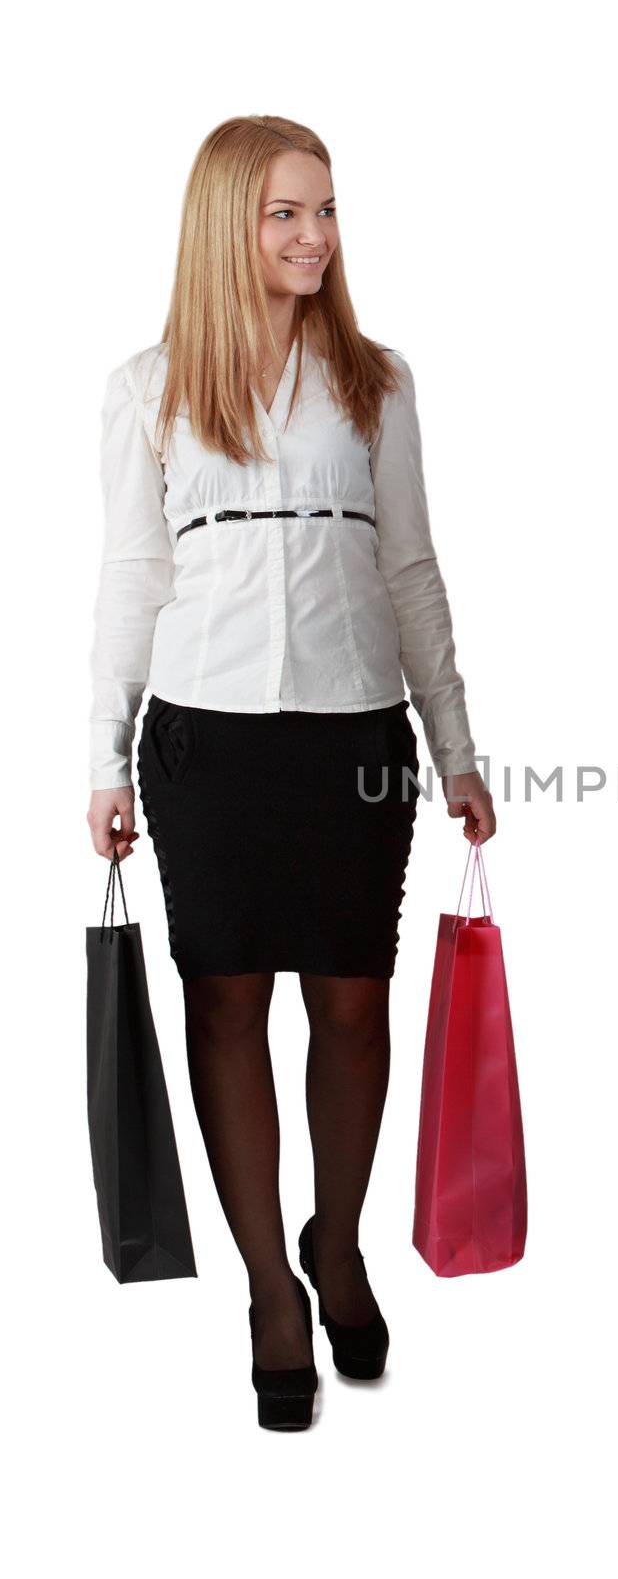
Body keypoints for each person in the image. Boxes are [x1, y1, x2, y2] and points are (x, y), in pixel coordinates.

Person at [85, 115, 495, 1431]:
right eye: (285, 214)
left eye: (325, 210)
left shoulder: (379, 379)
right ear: (225, 225)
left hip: (354, 738)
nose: (315, 235)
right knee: (225, 1013)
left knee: (356, 1008)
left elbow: (412, 569)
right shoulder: (147, 386)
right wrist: (102, 754)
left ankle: (341, 1241)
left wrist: (458, 748)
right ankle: (269, 1285)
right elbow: (132, 576)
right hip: (205, 746)